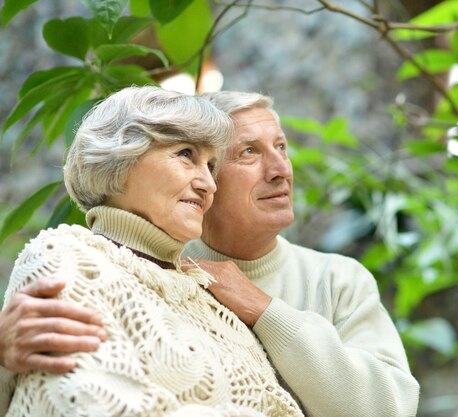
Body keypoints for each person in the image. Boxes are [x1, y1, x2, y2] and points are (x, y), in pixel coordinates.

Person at [0, 91, 420, 417]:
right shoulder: (83, 258)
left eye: (283, 147)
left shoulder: (337, 279)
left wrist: (266, 311)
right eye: (249, 153)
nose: (281, 170)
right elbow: (68, 393)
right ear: (122, 162)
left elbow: (391, 409)